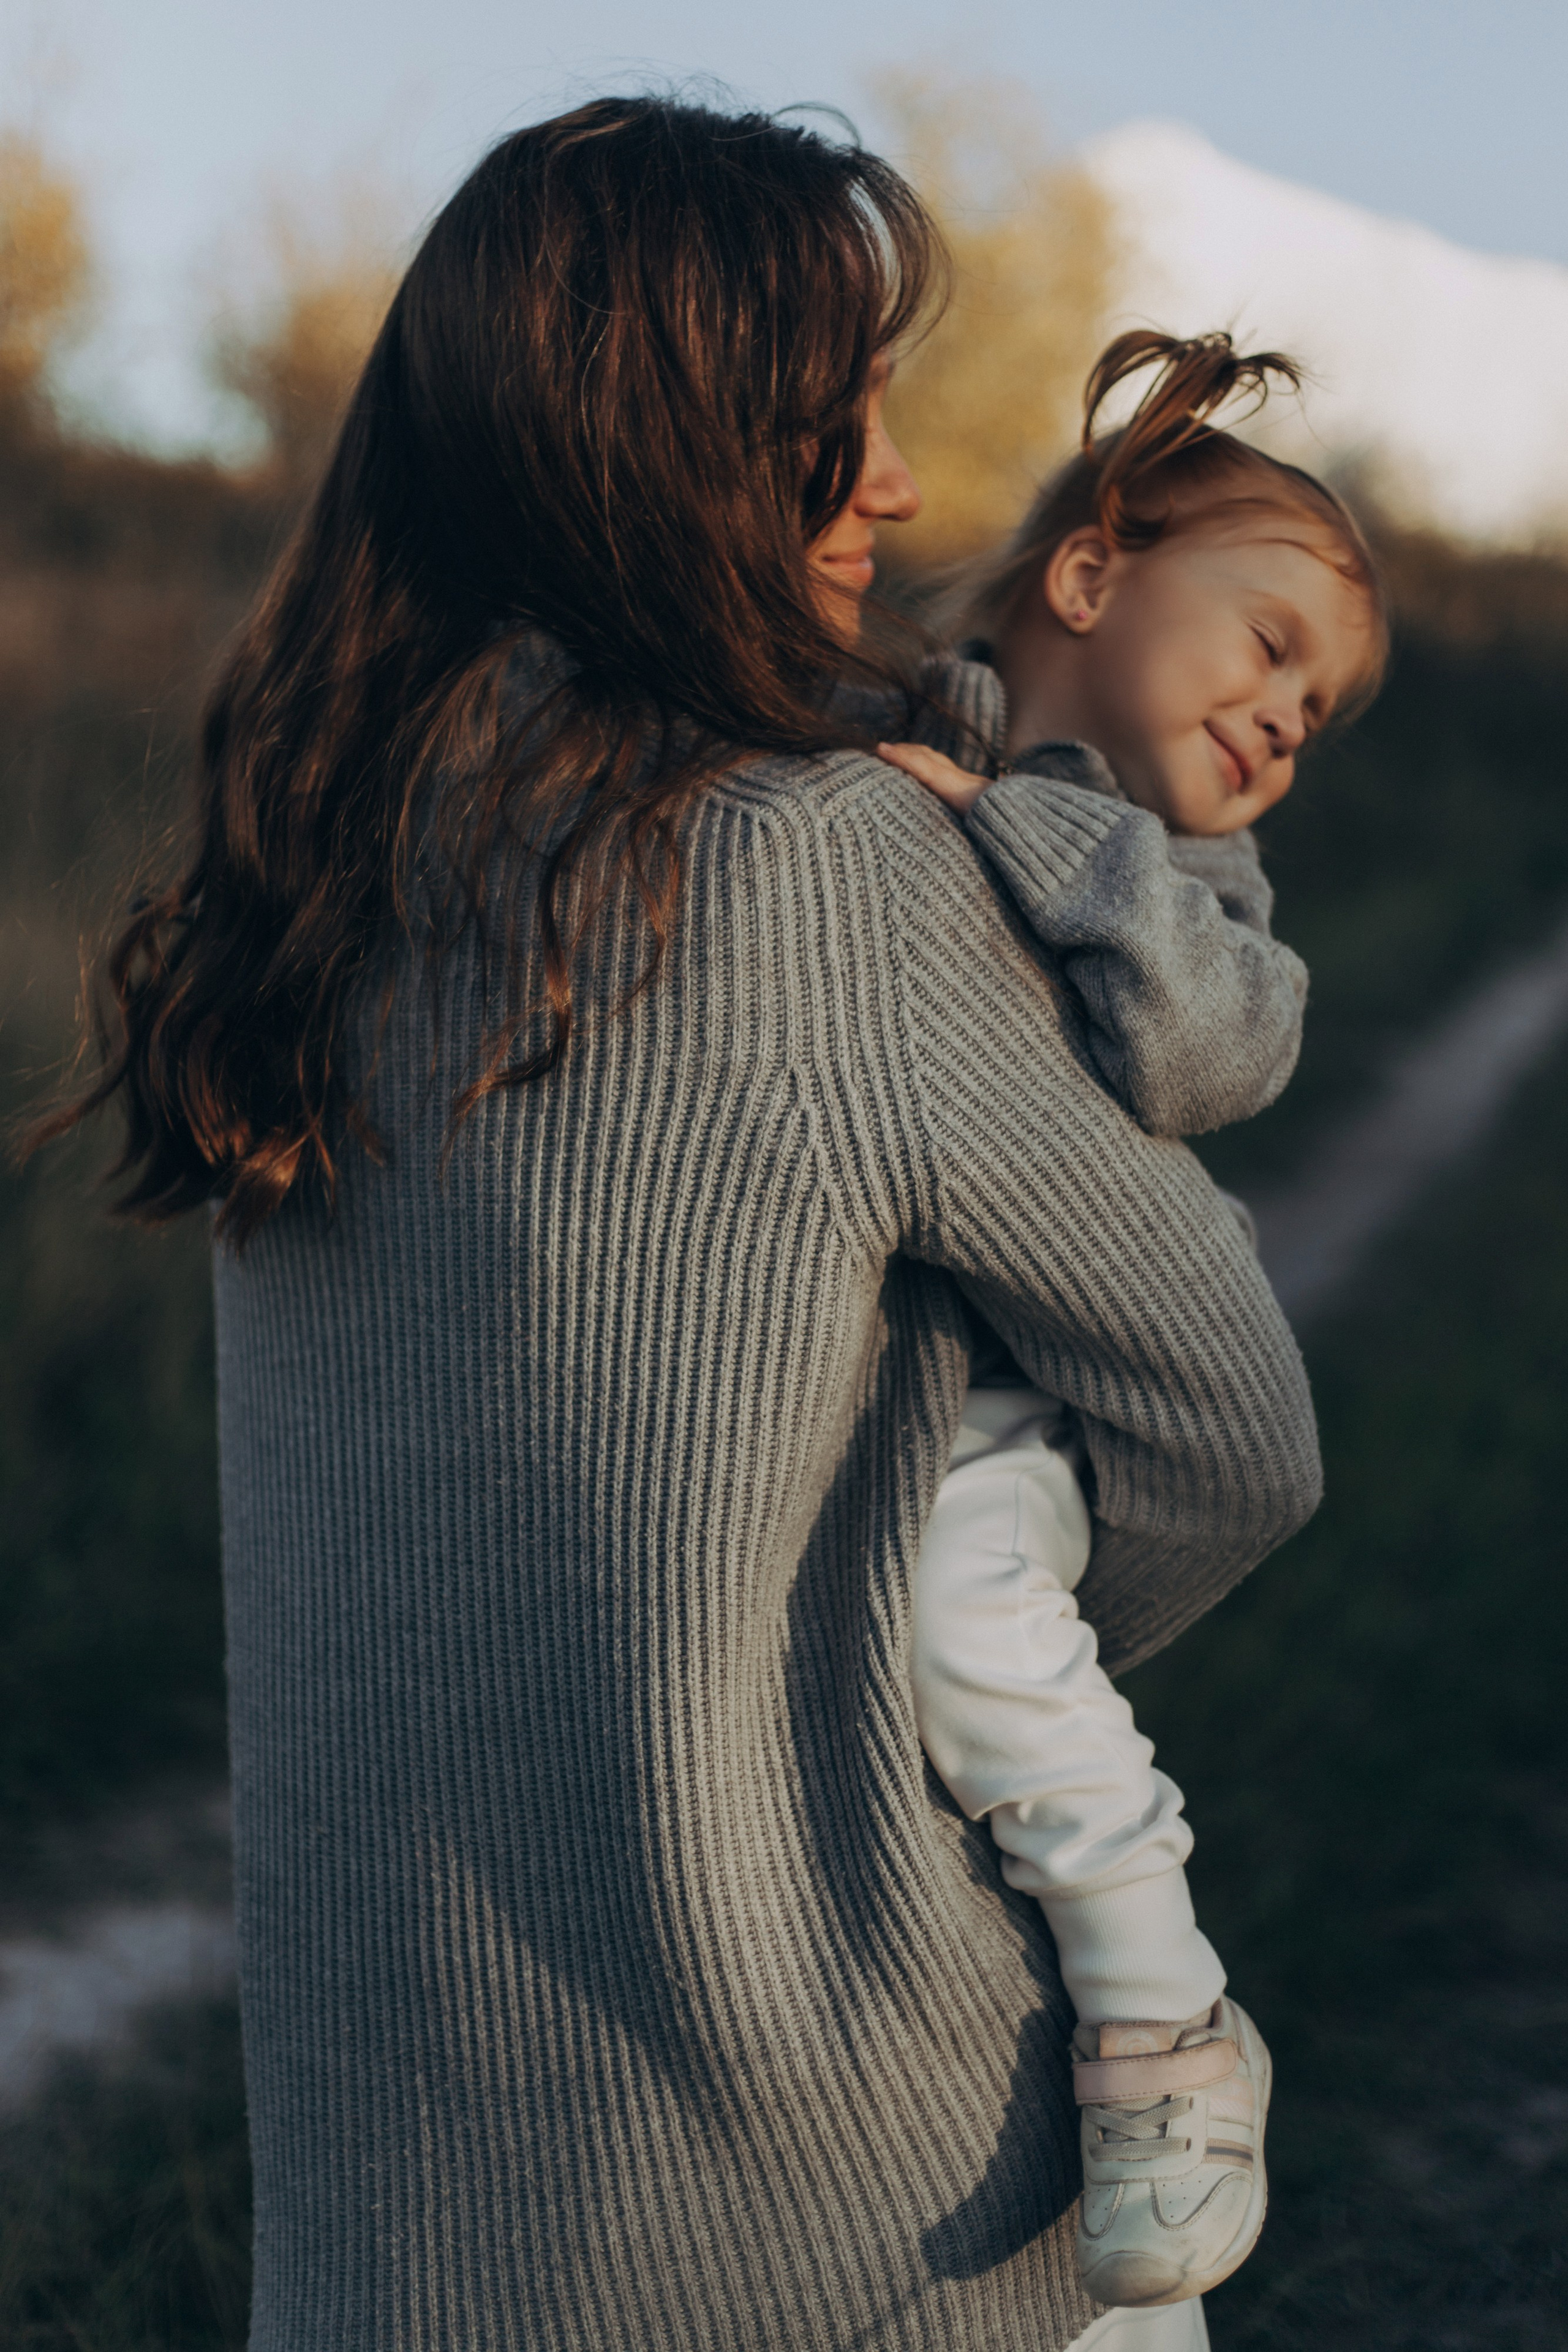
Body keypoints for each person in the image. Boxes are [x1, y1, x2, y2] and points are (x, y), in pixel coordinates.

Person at [29, 104, 1323, 2352]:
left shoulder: (298, 898)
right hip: (861, 2224)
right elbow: (1233, 1433)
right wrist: (929, 1699)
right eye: (842, 420)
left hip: (392, 2253)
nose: (897, 488)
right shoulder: (819, 869)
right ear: (674, 456)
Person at [879, 331, 1386, 2318]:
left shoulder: (1200, 885)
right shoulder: (893, 725)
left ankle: (1164, 2022)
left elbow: (1211, 1054)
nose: (1283, 719)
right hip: (888, 1361)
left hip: (1041, 1387)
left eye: (1316, 710)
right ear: (1093, 576)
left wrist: (1018, 828)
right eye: (1267, 646)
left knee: (965, 1609)